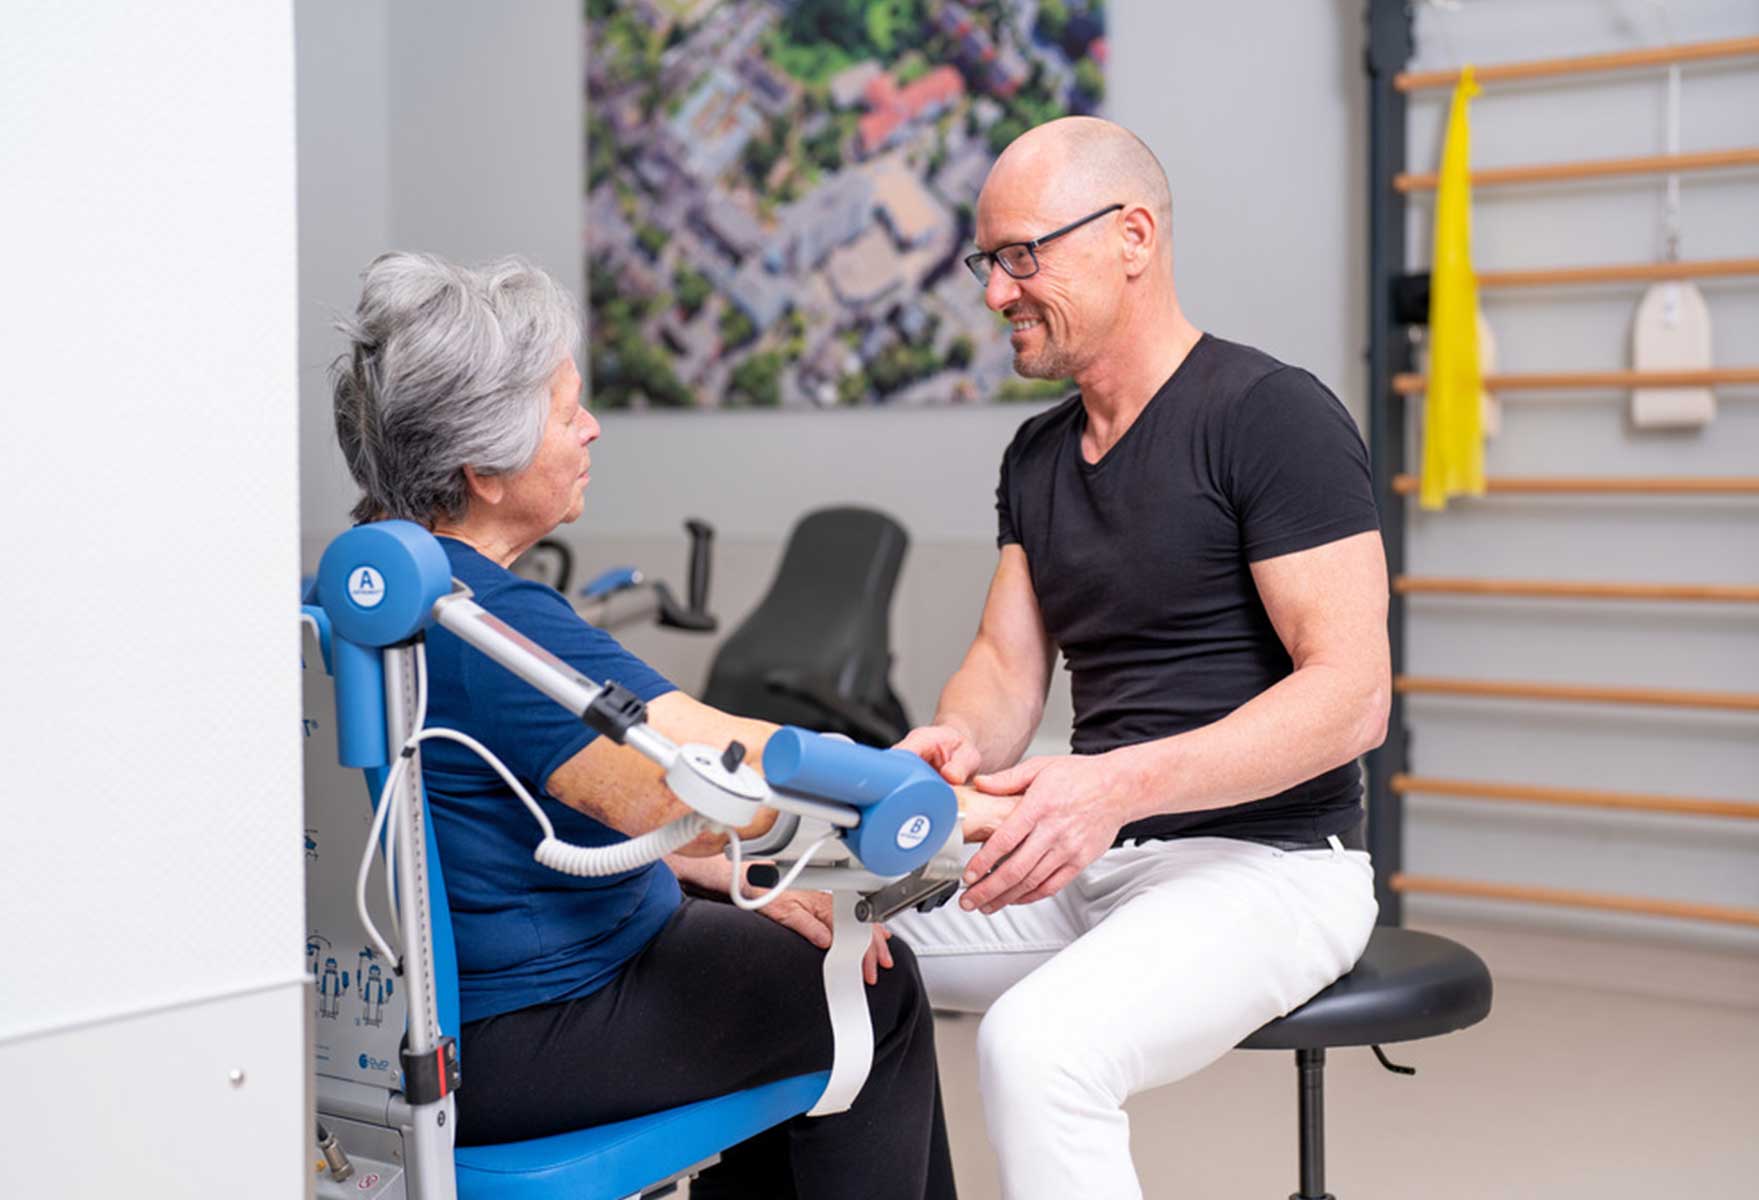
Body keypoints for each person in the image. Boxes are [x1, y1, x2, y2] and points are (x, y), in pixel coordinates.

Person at [331, 251, 956, 1199]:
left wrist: (700, 867)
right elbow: (711, 777)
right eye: (564, 408)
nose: (591, 429)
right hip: (531, 1028)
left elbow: (489, 823)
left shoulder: (359, 594)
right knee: (877, 991)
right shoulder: (484, 623)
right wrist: (951, 800)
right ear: (483, 468)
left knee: (790, 956)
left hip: (451, 1017)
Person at [886, 117, 1390, 1200]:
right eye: (988, 262)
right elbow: (1005, 668)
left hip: (1272, 869)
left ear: (1133, 236)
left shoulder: (1271, 416)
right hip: (1095, 862)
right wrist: (957, 742)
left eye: (1024, 256)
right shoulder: (1036, 457)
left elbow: (1352, 698)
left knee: (1040, 1050)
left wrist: (1114, 786)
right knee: (814, 966)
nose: (995, 293)